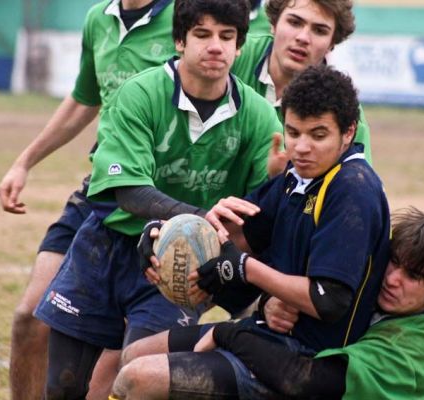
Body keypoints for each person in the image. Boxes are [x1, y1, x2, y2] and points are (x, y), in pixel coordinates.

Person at [33, 0, 282, 397]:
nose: (215, 46)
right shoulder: (140, 93)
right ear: (180, 40)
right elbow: (128, 190)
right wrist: (198, 218)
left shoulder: (258, 117)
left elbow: (257, 216)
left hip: (183, 264)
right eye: (202, 34)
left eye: (226, 36)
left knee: (145, 377)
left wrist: (271, 184)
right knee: (63, 386)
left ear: (239, 47)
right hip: (106, 248)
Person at [112, 64, 391, 399]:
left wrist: (246, 269)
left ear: (348, 132)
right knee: (135, 354)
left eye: (318, 135)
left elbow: (327, 300)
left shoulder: (352, 187)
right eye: (293, 132)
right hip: (265, 333)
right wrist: (165, 233)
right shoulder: (296, 178)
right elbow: (238, 234)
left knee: (140, 378)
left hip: (303, 361)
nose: (301, 148)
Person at [0, 1, 176, 398]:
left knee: (120, 361)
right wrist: (24, 161)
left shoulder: (186, 18)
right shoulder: (99, 18)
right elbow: (84, 98)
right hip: (99, 191)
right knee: (29, 317)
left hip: (156, 202)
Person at [190, 207, 424, 399]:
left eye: (413, 275)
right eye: (394, 261)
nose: (392, 278)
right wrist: (270, 302)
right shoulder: (382, 299)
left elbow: (308, 382)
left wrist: (228, 334)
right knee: (143, 353)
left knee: (153, 377)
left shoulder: (413, 355)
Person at [233, 0, 374, 164]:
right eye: (294, 22)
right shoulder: (231, 57)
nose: (303, 38)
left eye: (319, 30)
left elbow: (358, 183)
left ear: (332, 43)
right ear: (273, 23)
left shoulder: (344, 109)